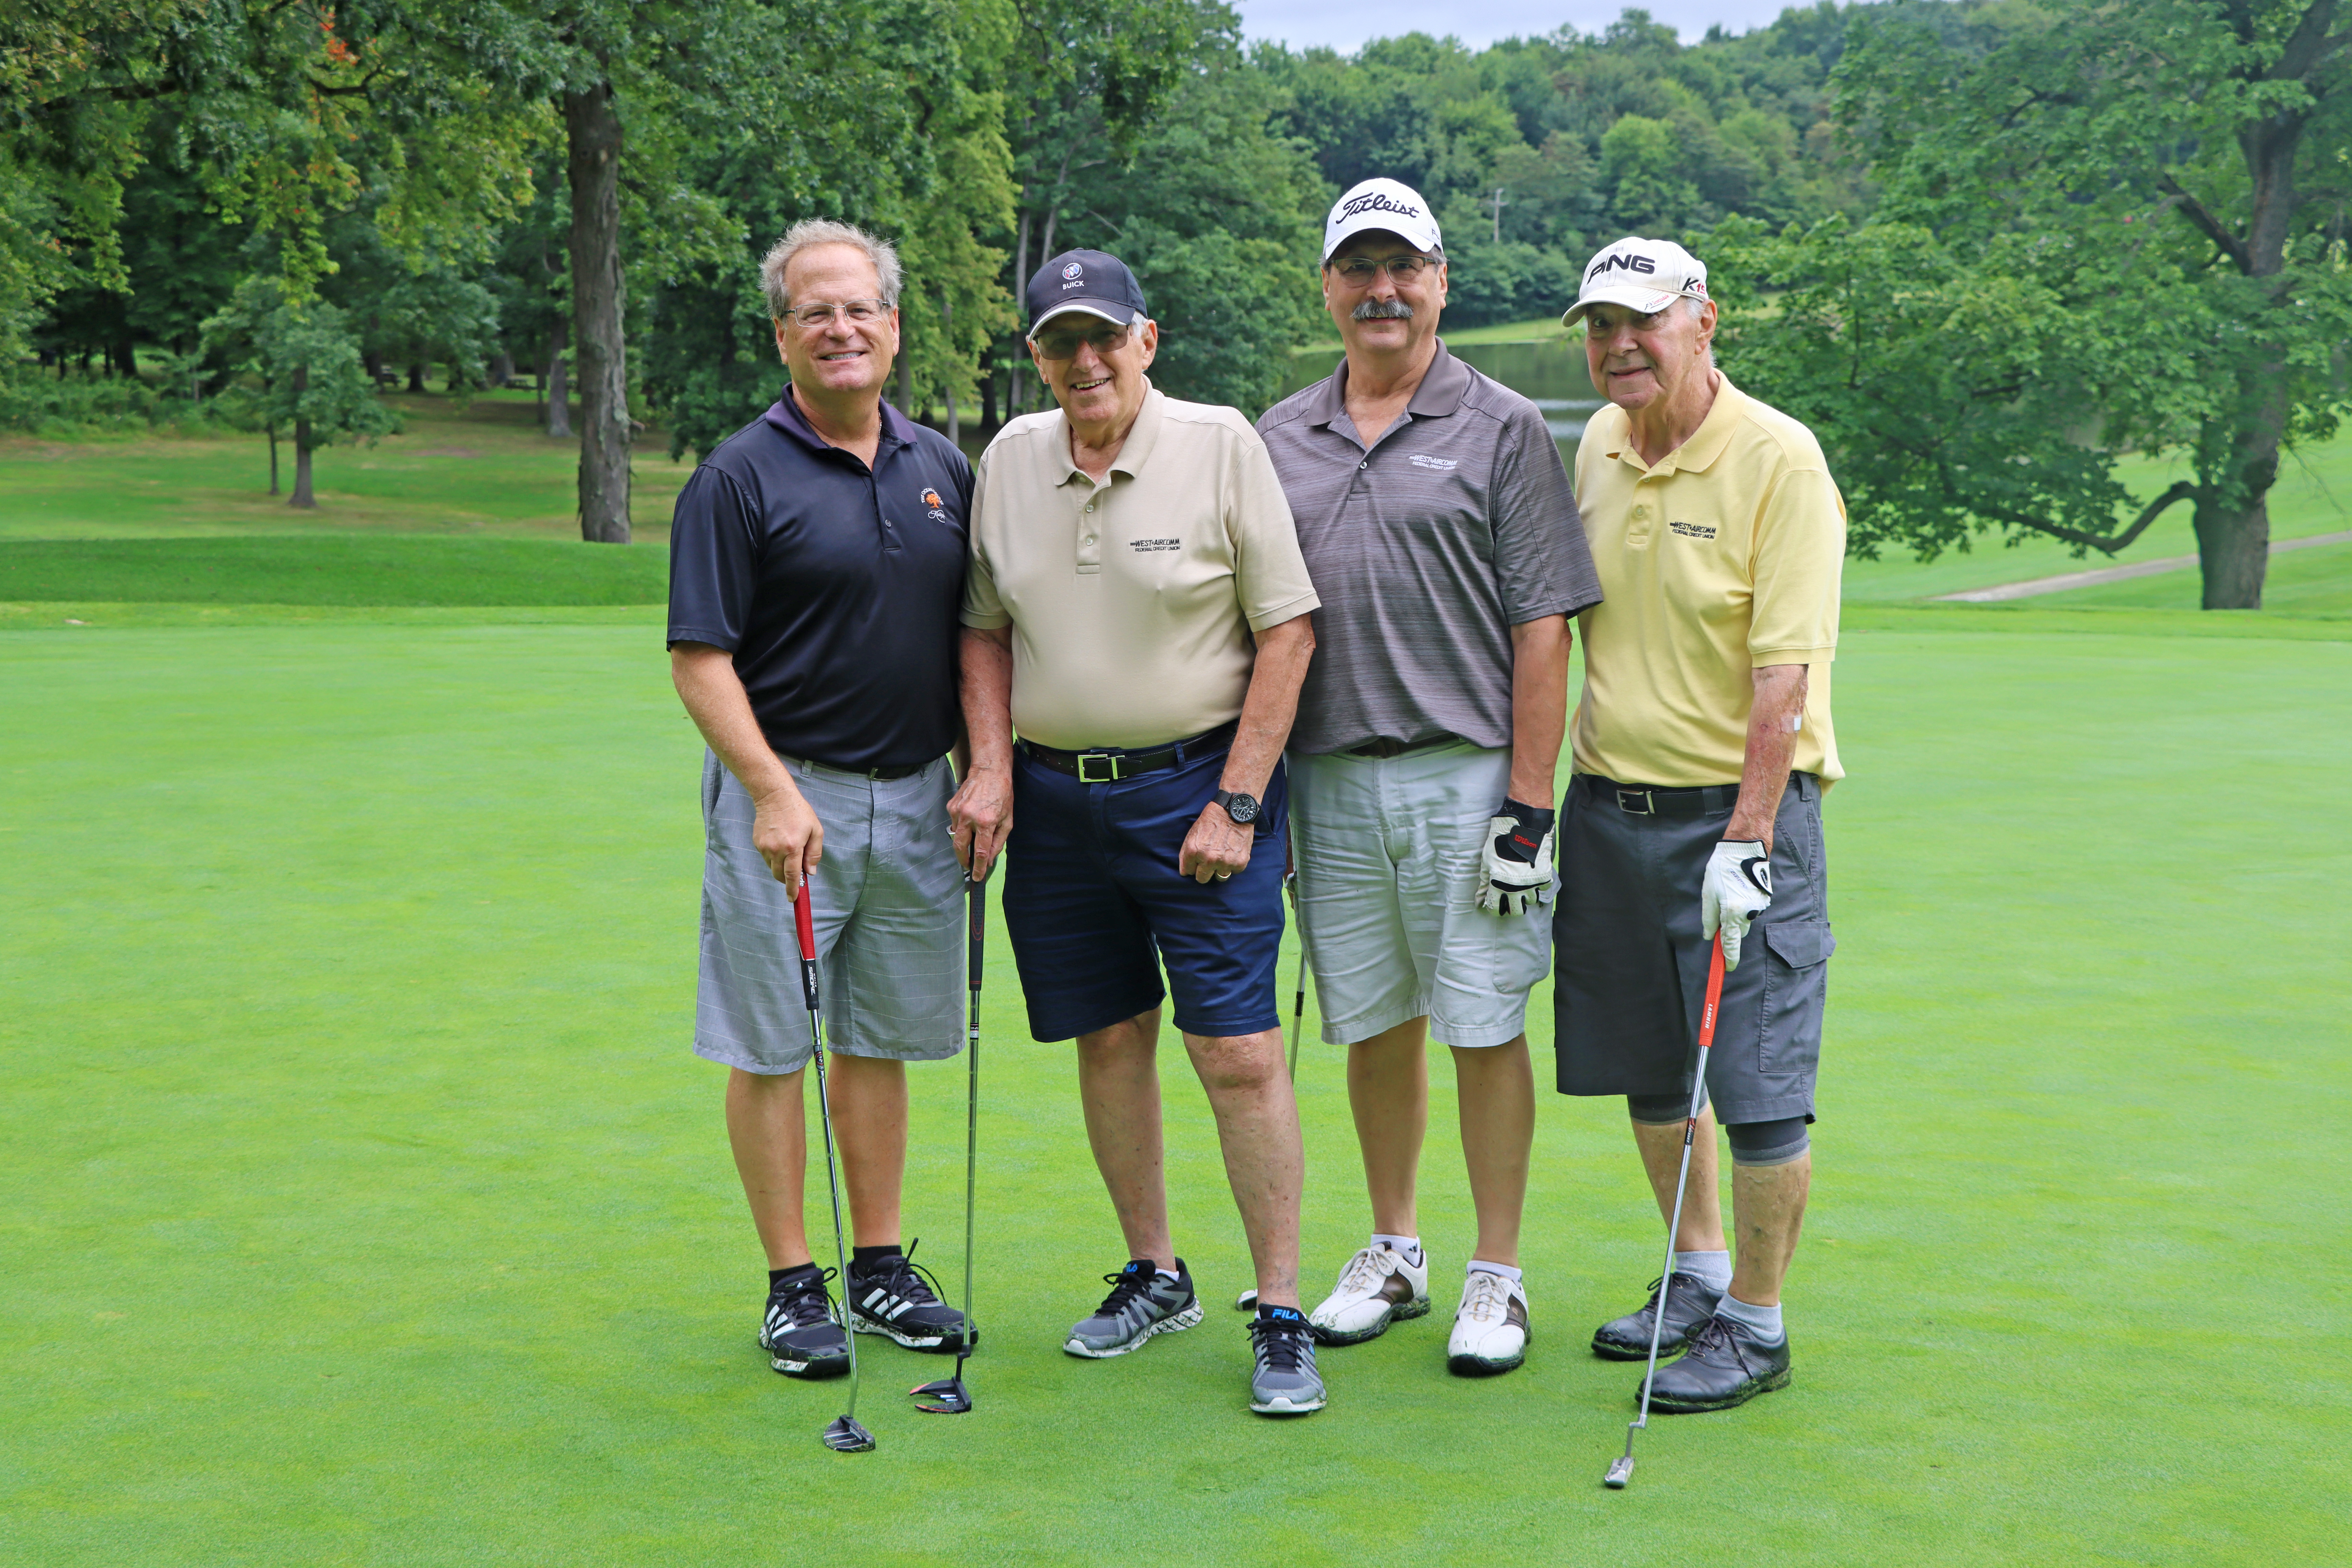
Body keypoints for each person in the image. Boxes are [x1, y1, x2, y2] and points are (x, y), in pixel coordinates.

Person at [947, 249, 1327, 1416]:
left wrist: (1241, 798)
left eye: (1104, 336)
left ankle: (1278, 1311)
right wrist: (994, 769)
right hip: (1057, 806)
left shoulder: (1219, 444)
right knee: (1108, 1040)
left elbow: (1290, 631)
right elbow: (983, 631)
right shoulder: (1008, 459)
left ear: (1146, 340)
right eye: (1061, 342)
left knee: (1239, 1051)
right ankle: (1156, 1273)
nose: (1085, 359)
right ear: (1037, 358)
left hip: (1196, 793)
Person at [1256, 178, 1602, 1377]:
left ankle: (1495, 1275)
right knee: (1374, 1023)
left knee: (1482, 1022)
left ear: (1441, 280)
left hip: (1467, 778)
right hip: (1331, 779)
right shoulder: (1278, 434)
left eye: (1403, 266)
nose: (1382, 289)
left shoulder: (1501, 423)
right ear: (1330, 288)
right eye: (1359, 268)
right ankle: (1394, 1249)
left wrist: (1529, 804)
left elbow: (1544, 624)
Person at [667, 219, 974, 1386]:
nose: (840, 329)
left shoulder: (942, 466)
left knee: (879, 1040)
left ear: (893, 325)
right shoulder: (738, 476)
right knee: (773, 1045)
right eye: (814, 313)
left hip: (918, 800)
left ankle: (881, 1267)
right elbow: (702, 656)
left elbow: (974, 641)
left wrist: (978, 768)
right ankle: (795, 1284)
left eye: (860, 309)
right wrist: (770, 790)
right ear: (782, 336)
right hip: (790, 806)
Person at [1552, 235, 1845, 1412]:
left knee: (1762, 1083)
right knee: (1652, 1066)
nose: (1620, 345)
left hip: (1737, 824)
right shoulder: (1598, 443)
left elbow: (1784, 678)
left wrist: (1751, 835)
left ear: (1703, 321)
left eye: (1644, 323)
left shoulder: (1780, 460)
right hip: (1610, 812)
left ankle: (1760, 1329)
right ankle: (1698, 1270)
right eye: (1601, 326)